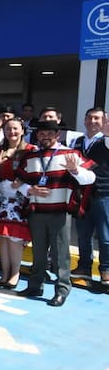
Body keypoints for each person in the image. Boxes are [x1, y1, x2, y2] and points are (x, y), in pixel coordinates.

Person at [15, 120, 95, 307]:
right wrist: (30, 190)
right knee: (39, 251)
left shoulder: (71, 154)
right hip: (37, 211)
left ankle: (62, 289)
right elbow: (17, 183)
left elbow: (90, 178)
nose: (45, 137)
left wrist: (75, 170)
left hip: (60, 212)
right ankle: (35, 285)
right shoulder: (30, 156)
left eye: (49, 133)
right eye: (41, 134)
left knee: (60, 253)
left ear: (57, 135)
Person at [0, 117, 35, 289]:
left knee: (14, 238)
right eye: (9, 129)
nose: (12, 132)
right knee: (2, 238)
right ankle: (4, 273)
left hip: (19, 199)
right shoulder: (0, 149)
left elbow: (35, 172)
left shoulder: (31, 150)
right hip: (0, 198)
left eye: (16, 128)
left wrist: (21, 181)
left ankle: (15, 274)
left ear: (23, 130)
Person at [71, 107, 109, 284]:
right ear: (84, 120)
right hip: (81, 196)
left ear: (104, 121)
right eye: (89, 118)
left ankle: (106, 270)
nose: (92, 122)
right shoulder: (77, 141)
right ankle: (84, 267)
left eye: (97, 119)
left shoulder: (106, 141)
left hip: (103, 194)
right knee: (83, 235)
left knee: (105, 236)